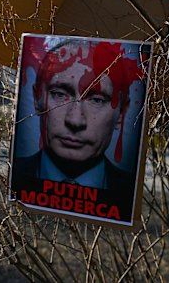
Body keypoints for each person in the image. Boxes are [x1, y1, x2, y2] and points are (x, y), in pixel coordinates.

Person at [13, 38, 144, 191]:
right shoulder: (13, 176)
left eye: (96, 100)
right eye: (60, 94)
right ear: (37, 99)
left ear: (121, 113)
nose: (75, 120)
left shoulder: (128, 191)